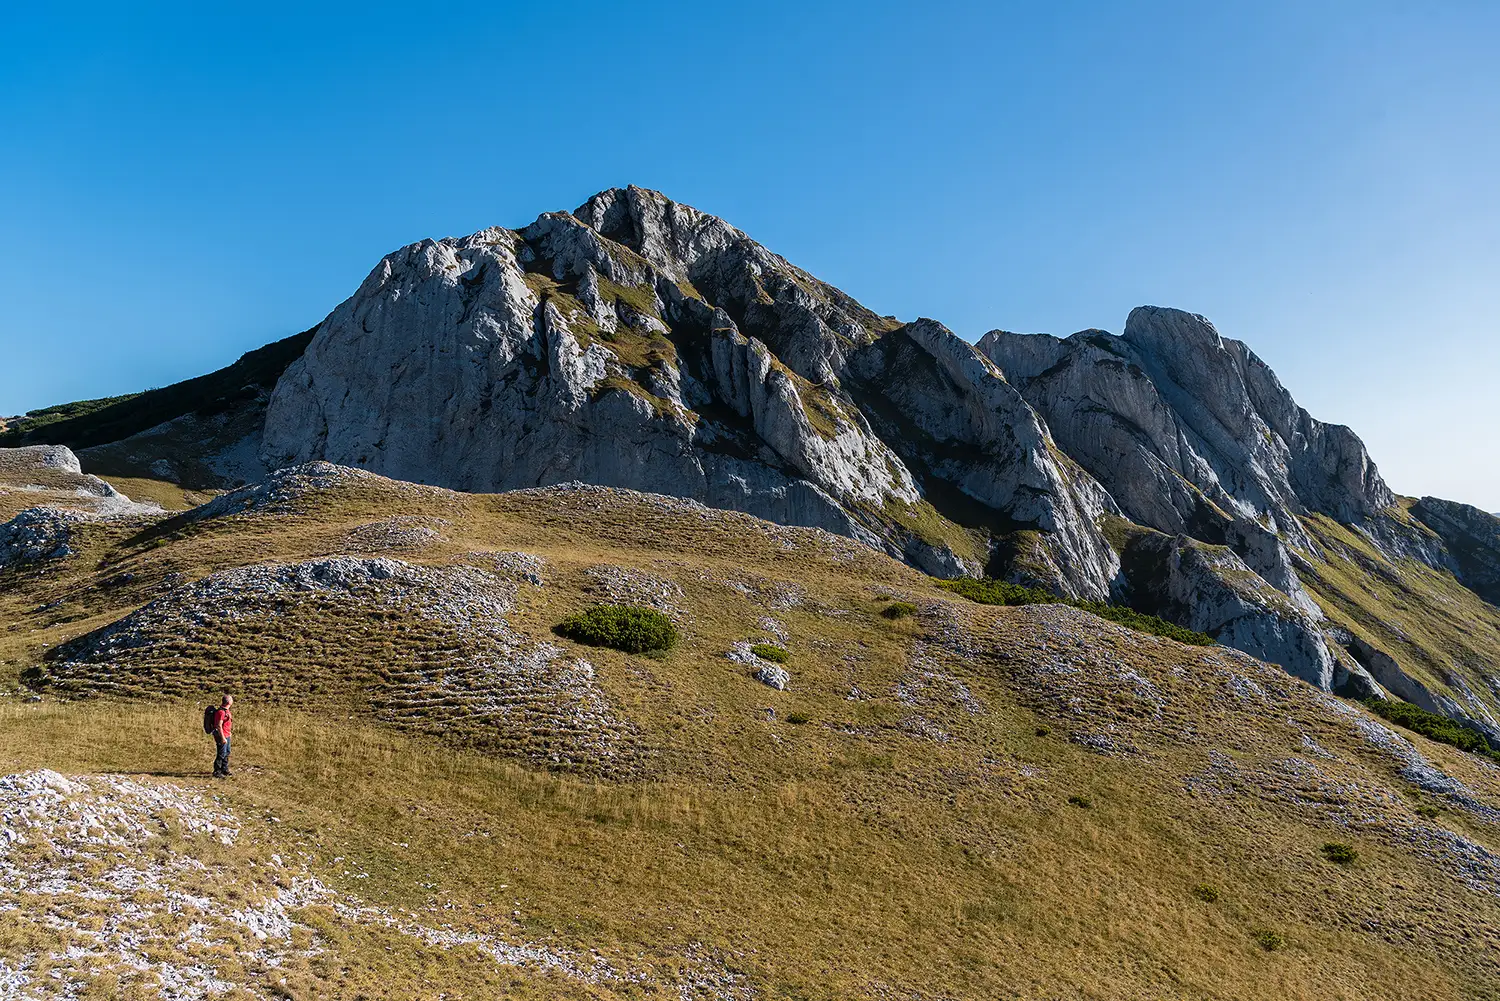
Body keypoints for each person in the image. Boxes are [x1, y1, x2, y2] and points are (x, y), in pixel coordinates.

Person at [211, 694, 234, 778]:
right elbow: (218, 726)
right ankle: (217, 771)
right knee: (221, 753)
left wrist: (229, 733)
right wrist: (223, 737)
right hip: (222, 735)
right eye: (231, 699)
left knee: (227, 752)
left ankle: (224, 769)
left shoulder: (226, 710)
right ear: (229, 702)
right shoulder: (221, 712)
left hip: (227, 734)